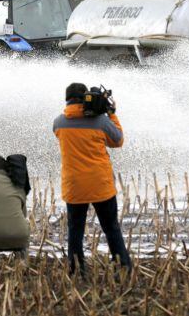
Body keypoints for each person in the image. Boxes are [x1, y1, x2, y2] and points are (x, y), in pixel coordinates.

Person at [52, 82, 131, 275]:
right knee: (111, 227)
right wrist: (111, 113)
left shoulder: (59, 123)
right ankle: (124, 267)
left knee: (75, 229)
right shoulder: (101, 122)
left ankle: (76, 269)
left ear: (67, 99)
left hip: (74, 186)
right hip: (100, 184)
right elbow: (118, 140)